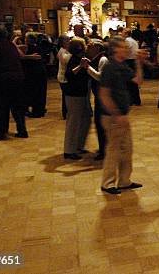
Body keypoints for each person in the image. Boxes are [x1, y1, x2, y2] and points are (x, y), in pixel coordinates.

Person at [99, 36, 147, 194]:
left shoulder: (122, 66)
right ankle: (108, 183)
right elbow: (104, 94)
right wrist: (117, 114)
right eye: (124, 47)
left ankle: (124, 181)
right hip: (112, 116)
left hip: (122, 116)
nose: (127, 49)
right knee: (114, 150)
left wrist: (139, 62)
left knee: (126, 149)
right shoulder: (109, 67)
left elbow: (138, 81)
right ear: (115, 50)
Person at [0, 26, 28, 140]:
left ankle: (1, 132)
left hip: (4, 79)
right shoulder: (11, 45)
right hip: (18, 77)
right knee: (17, 106)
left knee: (3, 106)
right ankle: (22, 131)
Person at [62, 38, 91, 160]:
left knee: (85, 119)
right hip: (74, 94)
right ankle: (69, 150)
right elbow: (69, 74)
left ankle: (78, 146)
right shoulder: (74, 59)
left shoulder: (79, 59)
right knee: (73, 122)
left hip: (81, 94)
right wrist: (80, 66)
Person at [85, 42, 109, 161]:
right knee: (99, 123)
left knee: (101, 123)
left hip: (103, 97)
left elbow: (100, 77)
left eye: (90, 47)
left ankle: (104, 151)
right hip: (100, 96)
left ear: (98, 48)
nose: (88, 49)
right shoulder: (97, 59)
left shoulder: (103, 60)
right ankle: (103, 149)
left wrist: (87, 67)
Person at [122, 28, 141, 105]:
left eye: (123, 33)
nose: (122, 34)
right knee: (134, 82)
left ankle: (130, 100)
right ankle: (136, 100)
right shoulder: (134, 41)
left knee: (128, 82)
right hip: (134, 61)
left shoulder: (127, 41)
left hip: (128, 61)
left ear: (126, 33)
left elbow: (126, 51)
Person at [56, 36, 71, 119]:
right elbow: (65, 61)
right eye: (67, 41)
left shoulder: (65, 50)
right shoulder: (62, 51)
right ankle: (65, 113)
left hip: (64, 76)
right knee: (65, 96)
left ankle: (66, 112)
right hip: (63, 77)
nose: (69, 42)